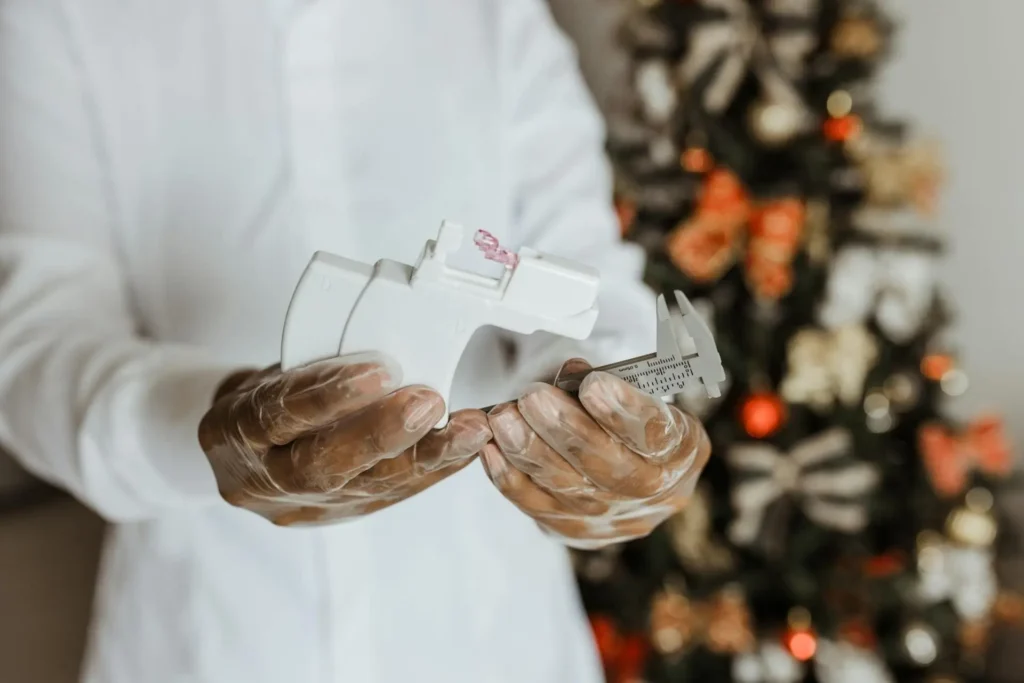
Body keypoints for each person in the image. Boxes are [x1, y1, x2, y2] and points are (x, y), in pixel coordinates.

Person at [0, 1, 711, 682]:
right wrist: (204, 425)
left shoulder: (495, 15)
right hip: (212, 640)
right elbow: (36, 342)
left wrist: (605, 427)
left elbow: (589, 281)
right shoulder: (59, 16)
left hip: (493, 641)